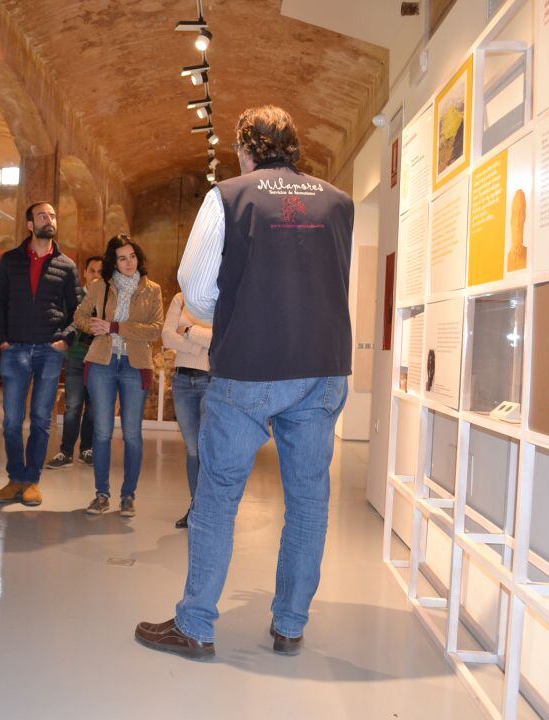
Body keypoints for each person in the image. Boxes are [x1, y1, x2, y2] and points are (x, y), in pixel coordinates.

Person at [135, 106, 354, 659]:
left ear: (243, 148)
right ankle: (289, 625)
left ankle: (197, 625)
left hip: (253, 363)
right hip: (322, 363)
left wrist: (225, 314)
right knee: (308, 499)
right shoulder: (338, 201)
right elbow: (335, 276)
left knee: (218, 495)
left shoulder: (229, 195)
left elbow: (196, 282)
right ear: (295, 146)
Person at [0, 202, 80, 507]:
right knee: (12, 421)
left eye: (53, 215)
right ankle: (15, 477)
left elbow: (78, 310)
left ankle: (32, 480)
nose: (49, 220)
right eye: (42, 216)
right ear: (29, 224)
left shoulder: (66, 265)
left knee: (41, 419)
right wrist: (2, 339)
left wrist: (67, 339)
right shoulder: (10, 260)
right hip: (14, 349)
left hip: (48, 351)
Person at [74, 236, 163, 516]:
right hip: (102, 362)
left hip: (135, 365)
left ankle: (128, 496)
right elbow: (78, 317)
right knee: (101, 431)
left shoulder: (152, 289)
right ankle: (101, 494)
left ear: (139, 258)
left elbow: (155, 329)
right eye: (122, 258)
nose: (128, 262)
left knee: (132, 433)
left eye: (132, 256)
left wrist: (114, 326)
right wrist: (93, 325)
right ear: (114, 260)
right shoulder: (100, 286)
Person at [45, 255, 102, 470]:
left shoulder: (107, 299)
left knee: (93, 408)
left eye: (100, 271)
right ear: (85, 273)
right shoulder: (75, 297)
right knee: (72, 406)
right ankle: (65, 451)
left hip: (98, 360)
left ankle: (86, 449)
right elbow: (64, 322)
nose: (96, 275)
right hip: (76, 358)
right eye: (92, 271)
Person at [161, 291, 212, 529]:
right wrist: (198, 347)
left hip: (211, 381)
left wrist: (189, 331)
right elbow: (167, 337)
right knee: (192, 449)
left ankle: (208, 509)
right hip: (182, 382)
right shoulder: (181, 298)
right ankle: (196, 507)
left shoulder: (221, 298)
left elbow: (221, 339)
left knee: (206, 449)